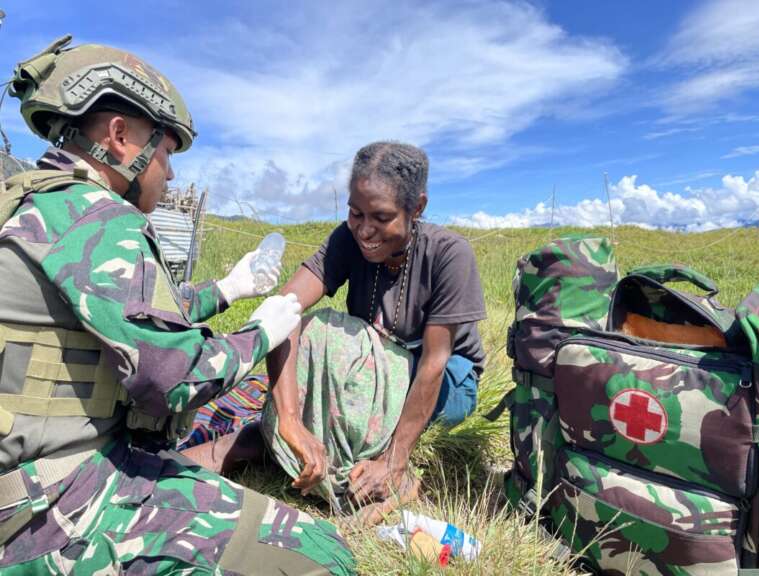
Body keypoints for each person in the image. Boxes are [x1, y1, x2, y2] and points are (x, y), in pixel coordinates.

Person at [0, 35, 355, 575]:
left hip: (24, 480)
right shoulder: (98, 218)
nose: (171, 174)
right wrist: (261, 333)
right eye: (166, 152)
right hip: (50, 508)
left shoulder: (33, 203)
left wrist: (227, 290)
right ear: (120, 138)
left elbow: (125, 315)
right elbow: (173, 379)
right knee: (318, 556)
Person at [261, 141, 486, 523]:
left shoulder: (450, 255)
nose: (365, 230)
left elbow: (434, 363)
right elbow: (283, 310)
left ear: (417, 208)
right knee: (317, 331)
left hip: (446, 379)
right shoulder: (346, 240)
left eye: (381, 217)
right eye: (355, 213)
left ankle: (401, 481)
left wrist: (393, 461)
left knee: (343, 380)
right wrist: (290, 419)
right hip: (375, 363)